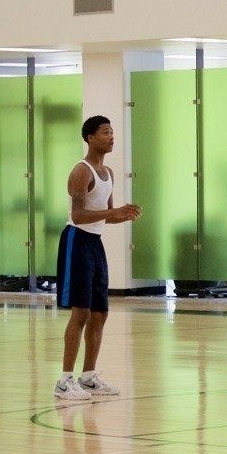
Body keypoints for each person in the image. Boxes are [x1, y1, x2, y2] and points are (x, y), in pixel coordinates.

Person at [53, 116, 142, 401]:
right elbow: (79, 216)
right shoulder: (82, 171)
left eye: (113, 132)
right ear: (90, 138)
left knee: (100, 312)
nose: (112, 137)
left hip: (94, 243)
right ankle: (65, 380)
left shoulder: (109, 172)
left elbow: (107, 214)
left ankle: (88, 376)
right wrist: (110, 214)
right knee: (80, 313)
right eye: (105, 133)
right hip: (76, 241)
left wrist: (122, 214)